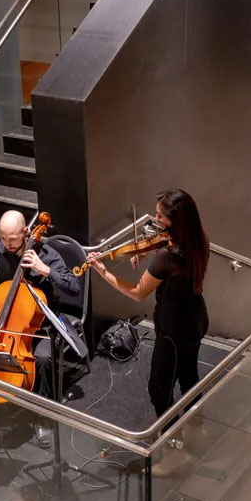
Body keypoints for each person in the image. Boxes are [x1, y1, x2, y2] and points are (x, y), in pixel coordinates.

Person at [86, 189, 209, 475]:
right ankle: (196, 431)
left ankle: (175, 453)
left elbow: (138, 293)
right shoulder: (199, 240)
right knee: (189, 377)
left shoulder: (166, 257)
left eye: (159, 217)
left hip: (174, 332)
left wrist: (102, 271)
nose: (154, 221)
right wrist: (149, 253)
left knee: (159, 388)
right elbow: (170, 259)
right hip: (197, 320)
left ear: (173, 221)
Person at [0, 210, 81, 449]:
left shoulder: (47, 254)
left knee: (43, 358)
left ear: (25, 233)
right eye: (2, 238)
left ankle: (42, 417)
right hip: (5, 321)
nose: (7, 244)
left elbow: (74, 286)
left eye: (11, 239)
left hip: (40, 323)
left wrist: (46, 270)